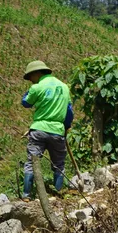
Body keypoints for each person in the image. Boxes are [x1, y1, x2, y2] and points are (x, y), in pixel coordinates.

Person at [20, 60, 73, 199]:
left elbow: (25, 103)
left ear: (36, 73)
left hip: (38, 130)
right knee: (59, 164)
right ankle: (59, 193)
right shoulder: (64, 87)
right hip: (57, 131)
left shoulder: (37, 87)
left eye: (30, 77)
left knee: (32, 162)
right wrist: (66, 127)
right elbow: (69, 111)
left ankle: (26, 195)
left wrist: (29, 92)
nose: (30, 80)